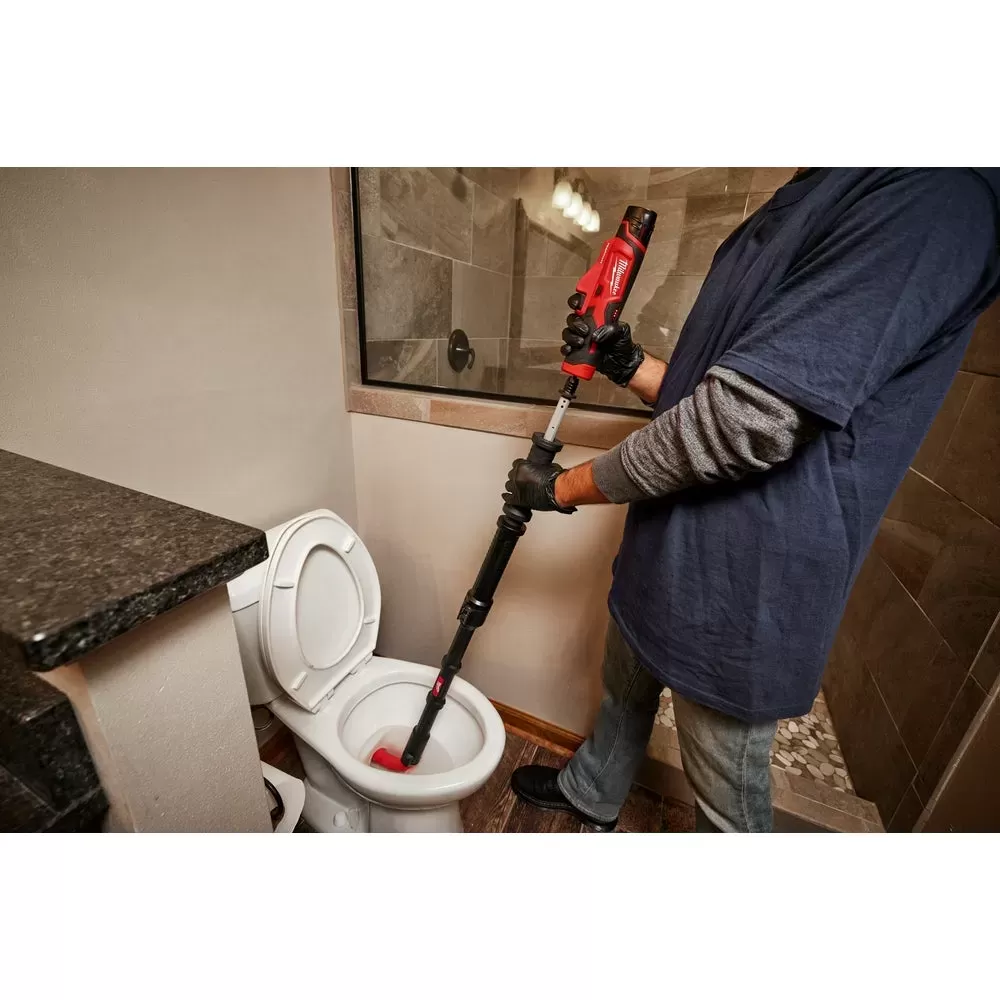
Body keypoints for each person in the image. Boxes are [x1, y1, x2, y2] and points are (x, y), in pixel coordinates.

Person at [501, 168, 1000, 832]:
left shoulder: (932, 192)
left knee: (726, 799)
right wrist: (632, 366)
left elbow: (739, 425)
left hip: (744, 573)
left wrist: (561, 487)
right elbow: (730, 392)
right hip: (669, 533)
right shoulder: (822, 182)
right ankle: (593, 788)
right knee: (625, 685)